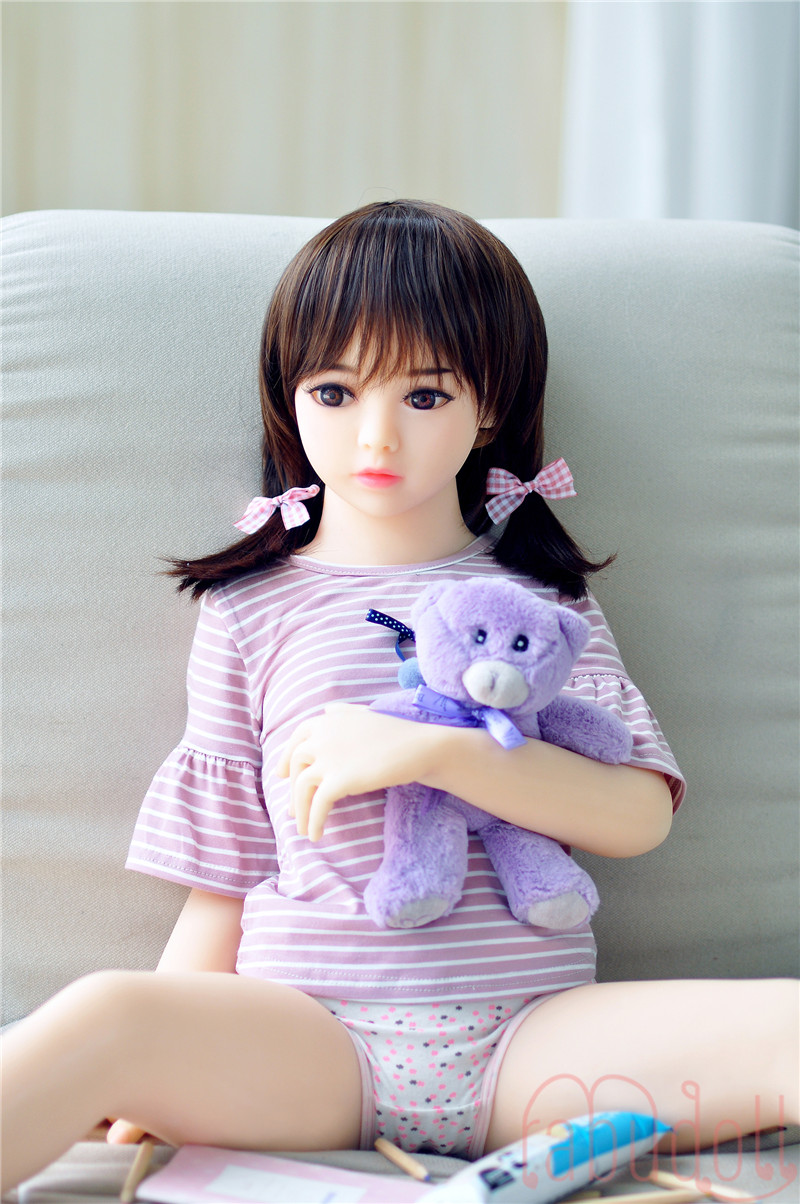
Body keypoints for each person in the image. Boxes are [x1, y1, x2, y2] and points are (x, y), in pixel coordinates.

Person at [2, 200, 796, 1194]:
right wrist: (156, 1058)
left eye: (423, 396)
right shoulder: (247, 612)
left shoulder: (542, 603)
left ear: (488, 407)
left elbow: (634, 814)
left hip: (533, 1044)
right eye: (334, 392)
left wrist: (433, 751)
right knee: (104, 1017)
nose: (374, 436)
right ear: (289, 398)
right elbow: (224, 875)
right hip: (309, 1037)